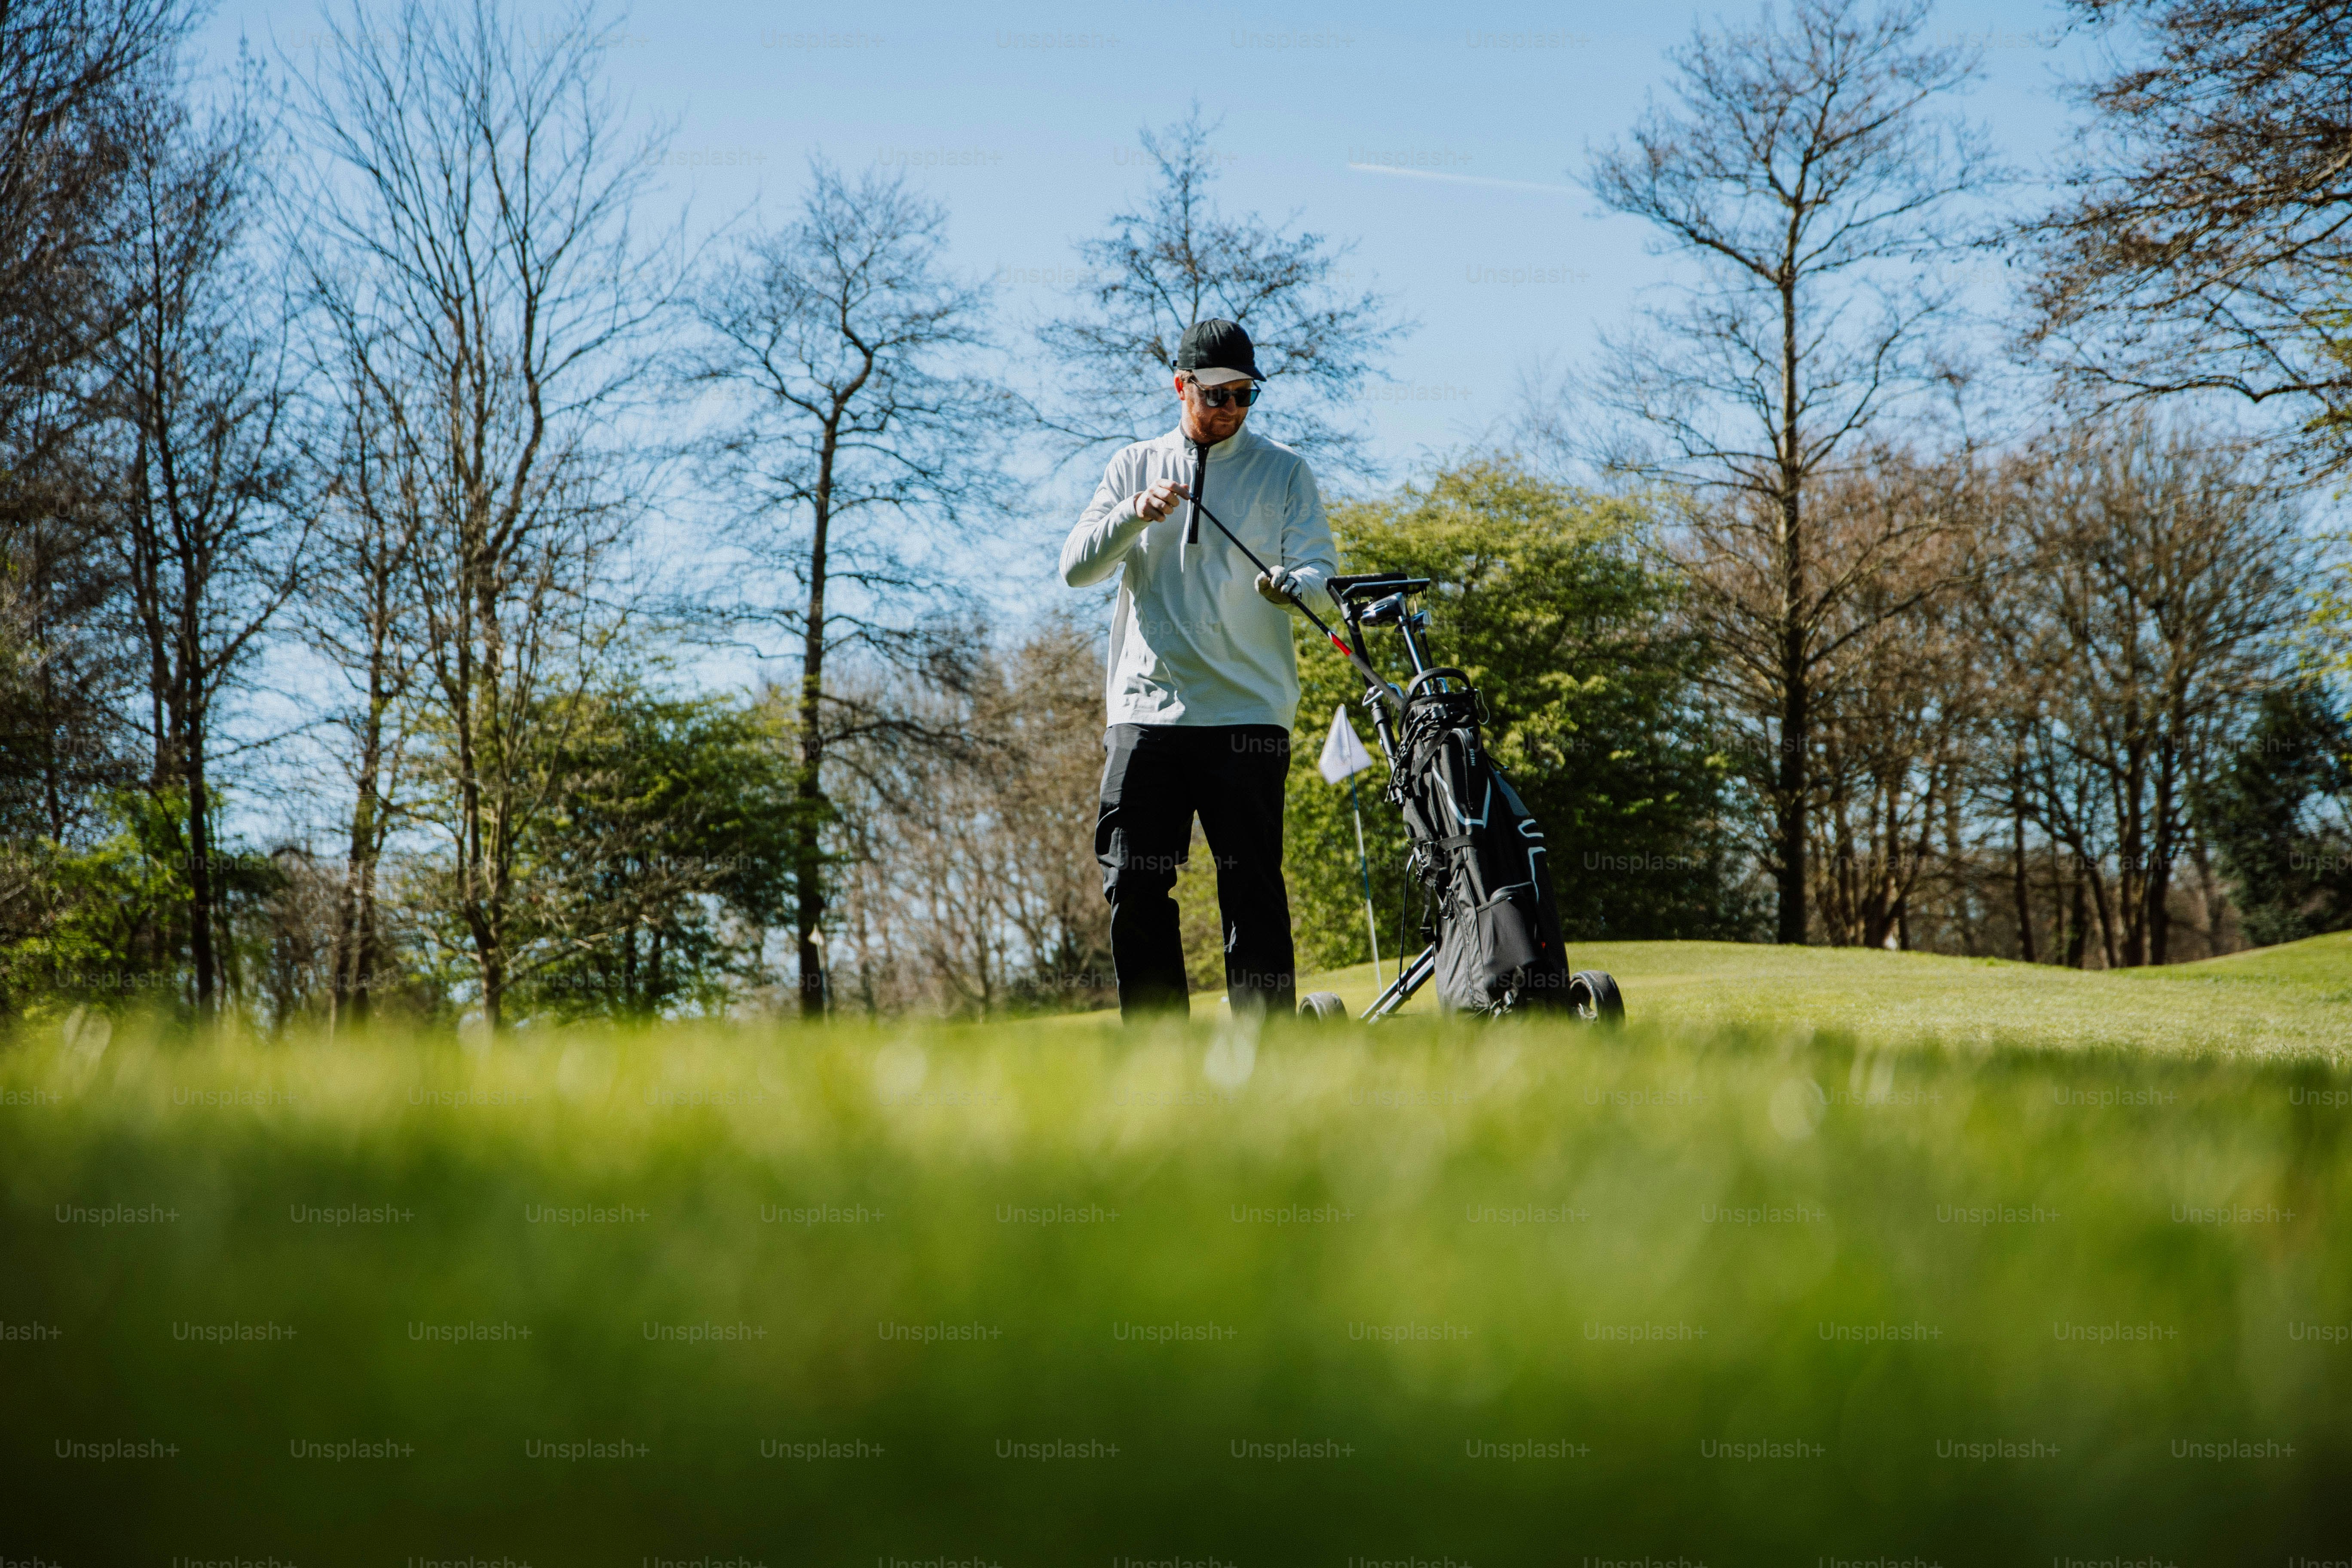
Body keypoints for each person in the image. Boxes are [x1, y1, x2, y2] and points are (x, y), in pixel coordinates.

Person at [1060, 318, 1337, 1020]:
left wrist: (1291, 584)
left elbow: (1322, 572)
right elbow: (1076, 569)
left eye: (1245, 396)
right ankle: (1160, 1059)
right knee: (1134, 884)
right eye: (1216, 396)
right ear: (1181, 386)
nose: (1232, 410)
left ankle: (1263, 1053)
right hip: (1145, 714)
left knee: (1252, 888)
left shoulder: (1285, 470)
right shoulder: (1133, 465)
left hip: (1247, 713)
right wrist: (1133, 513)